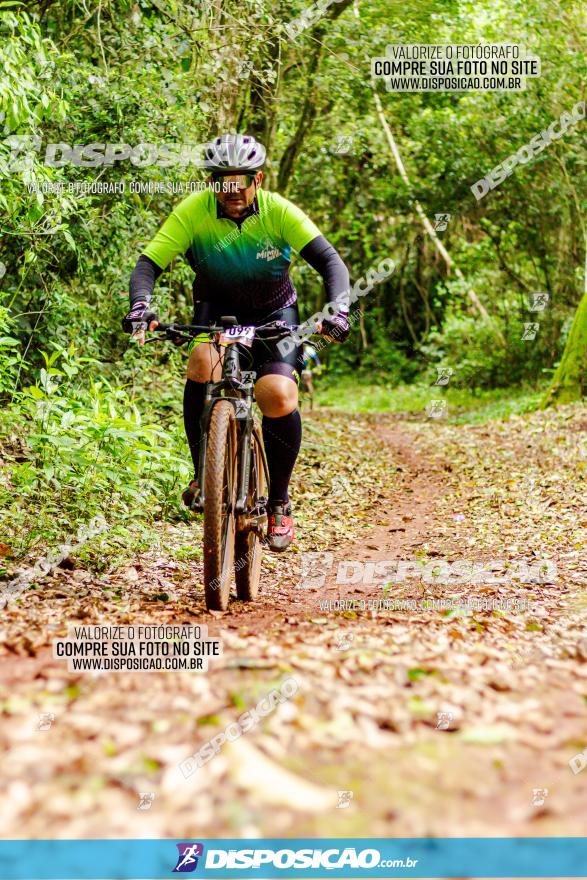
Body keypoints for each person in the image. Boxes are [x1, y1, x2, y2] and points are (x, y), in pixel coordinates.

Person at [122, 133, 350, 551]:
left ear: (257, 179)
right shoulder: (193, 212)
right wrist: (141, 306)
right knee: (201, 363)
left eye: (239, 182)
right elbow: (148, 264)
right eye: (221, 183)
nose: (231, 192)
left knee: (277, 394)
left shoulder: (279, 212)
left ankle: (278, 502)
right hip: (217, 314)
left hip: (275, 315)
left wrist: (338, 309)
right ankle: (203, 474)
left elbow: (329, 261)